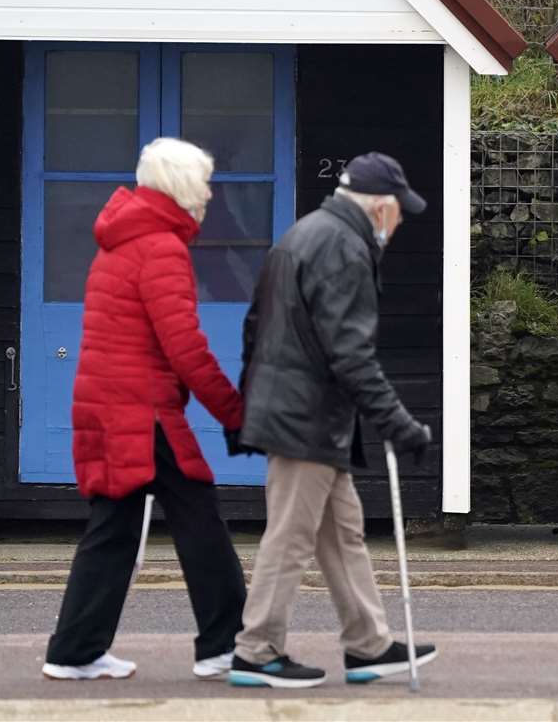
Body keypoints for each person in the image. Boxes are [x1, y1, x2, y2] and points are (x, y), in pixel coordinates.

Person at [228, 152, 437, 689]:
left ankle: (368, 645)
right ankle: (256, 651)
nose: (399, 222)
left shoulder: (303, 234)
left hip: (300, 413)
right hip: (306, 417)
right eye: (397, 211)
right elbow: (350, 353)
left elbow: (255, 325)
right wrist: (396, 422)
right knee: (291, 537)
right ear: (378, 207)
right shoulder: (344, 248)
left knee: (341, 534)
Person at [42, 137, 247, 681]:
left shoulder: (120, 239)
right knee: (198, 518)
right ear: (182, 186)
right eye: (202, 181)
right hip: (143, 411)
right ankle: (223, 645)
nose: (208, 192)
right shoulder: (160, 247)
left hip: (112, 405)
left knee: (114, 526)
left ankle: (75, 650)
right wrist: (234, 411)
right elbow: (184, 346)